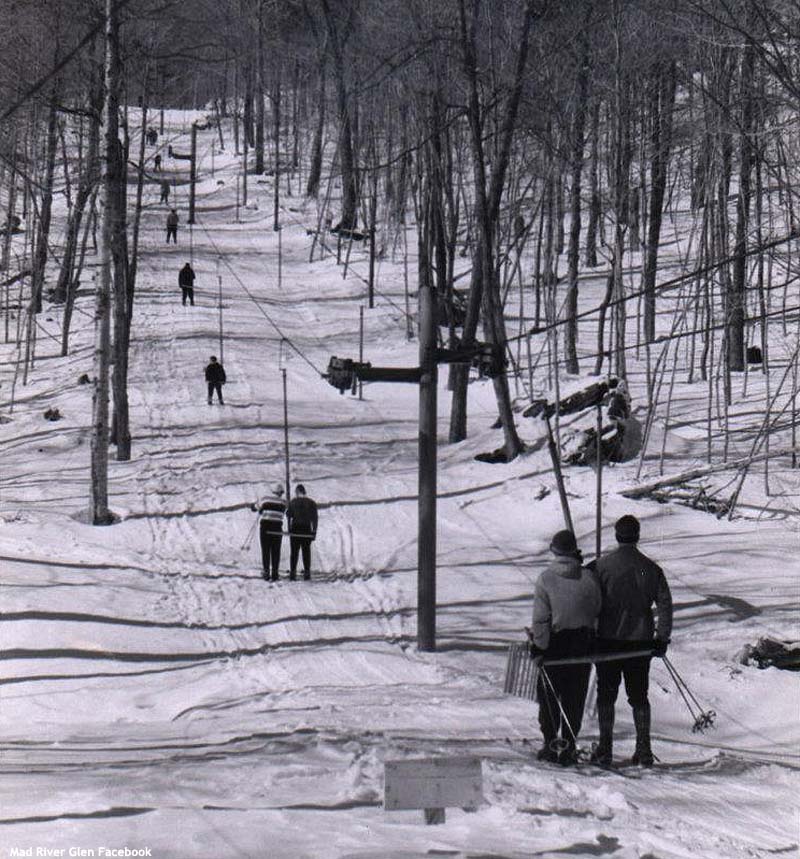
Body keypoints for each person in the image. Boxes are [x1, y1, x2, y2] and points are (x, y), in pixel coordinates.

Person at [591, 515, 673, 768]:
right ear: (637, 536)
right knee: (639, 696)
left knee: (606, 695)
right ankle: (644, 749)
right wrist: (662, 637)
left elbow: (588, 602)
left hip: (608, 640)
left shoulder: (599, 567)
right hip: (640, 641)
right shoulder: (651, 568)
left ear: (616, 535)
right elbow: (665, 605)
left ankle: (605, 749)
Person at [529, 530, 602, 766]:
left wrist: (539, 647)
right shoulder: (589, 578)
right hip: (581, 643)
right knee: (575, 695)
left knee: (549, 695)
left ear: (554, 551)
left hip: (554, 645)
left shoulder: (546, 579)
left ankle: (551, 742)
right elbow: (597, 610)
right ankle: (569, 745)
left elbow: (541, 619)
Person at [251, 484, 287, 581]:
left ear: (273, 491)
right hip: (277, 528)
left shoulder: (265, 499)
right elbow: (284, 512)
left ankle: (266, 572)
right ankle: (275, 573)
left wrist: (260, 509)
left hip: (265, 527)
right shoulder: (283, 502)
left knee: (265, 550)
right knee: (276, 551)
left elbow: (254, 507)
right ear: (281, 492)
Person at [287, 484, 318, 581]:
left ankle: (293, 573)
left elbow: (288, 516)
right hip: (306, 529)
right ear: (304, 491)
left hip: (295, 529)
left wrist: (289, 529)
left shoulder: (293, 502)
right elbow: (315, 518)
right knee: (306, 551)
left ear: (297, 492)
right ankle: (307, 572)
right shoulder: (311, 503)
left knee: (294, 552)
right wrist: (314, 531)